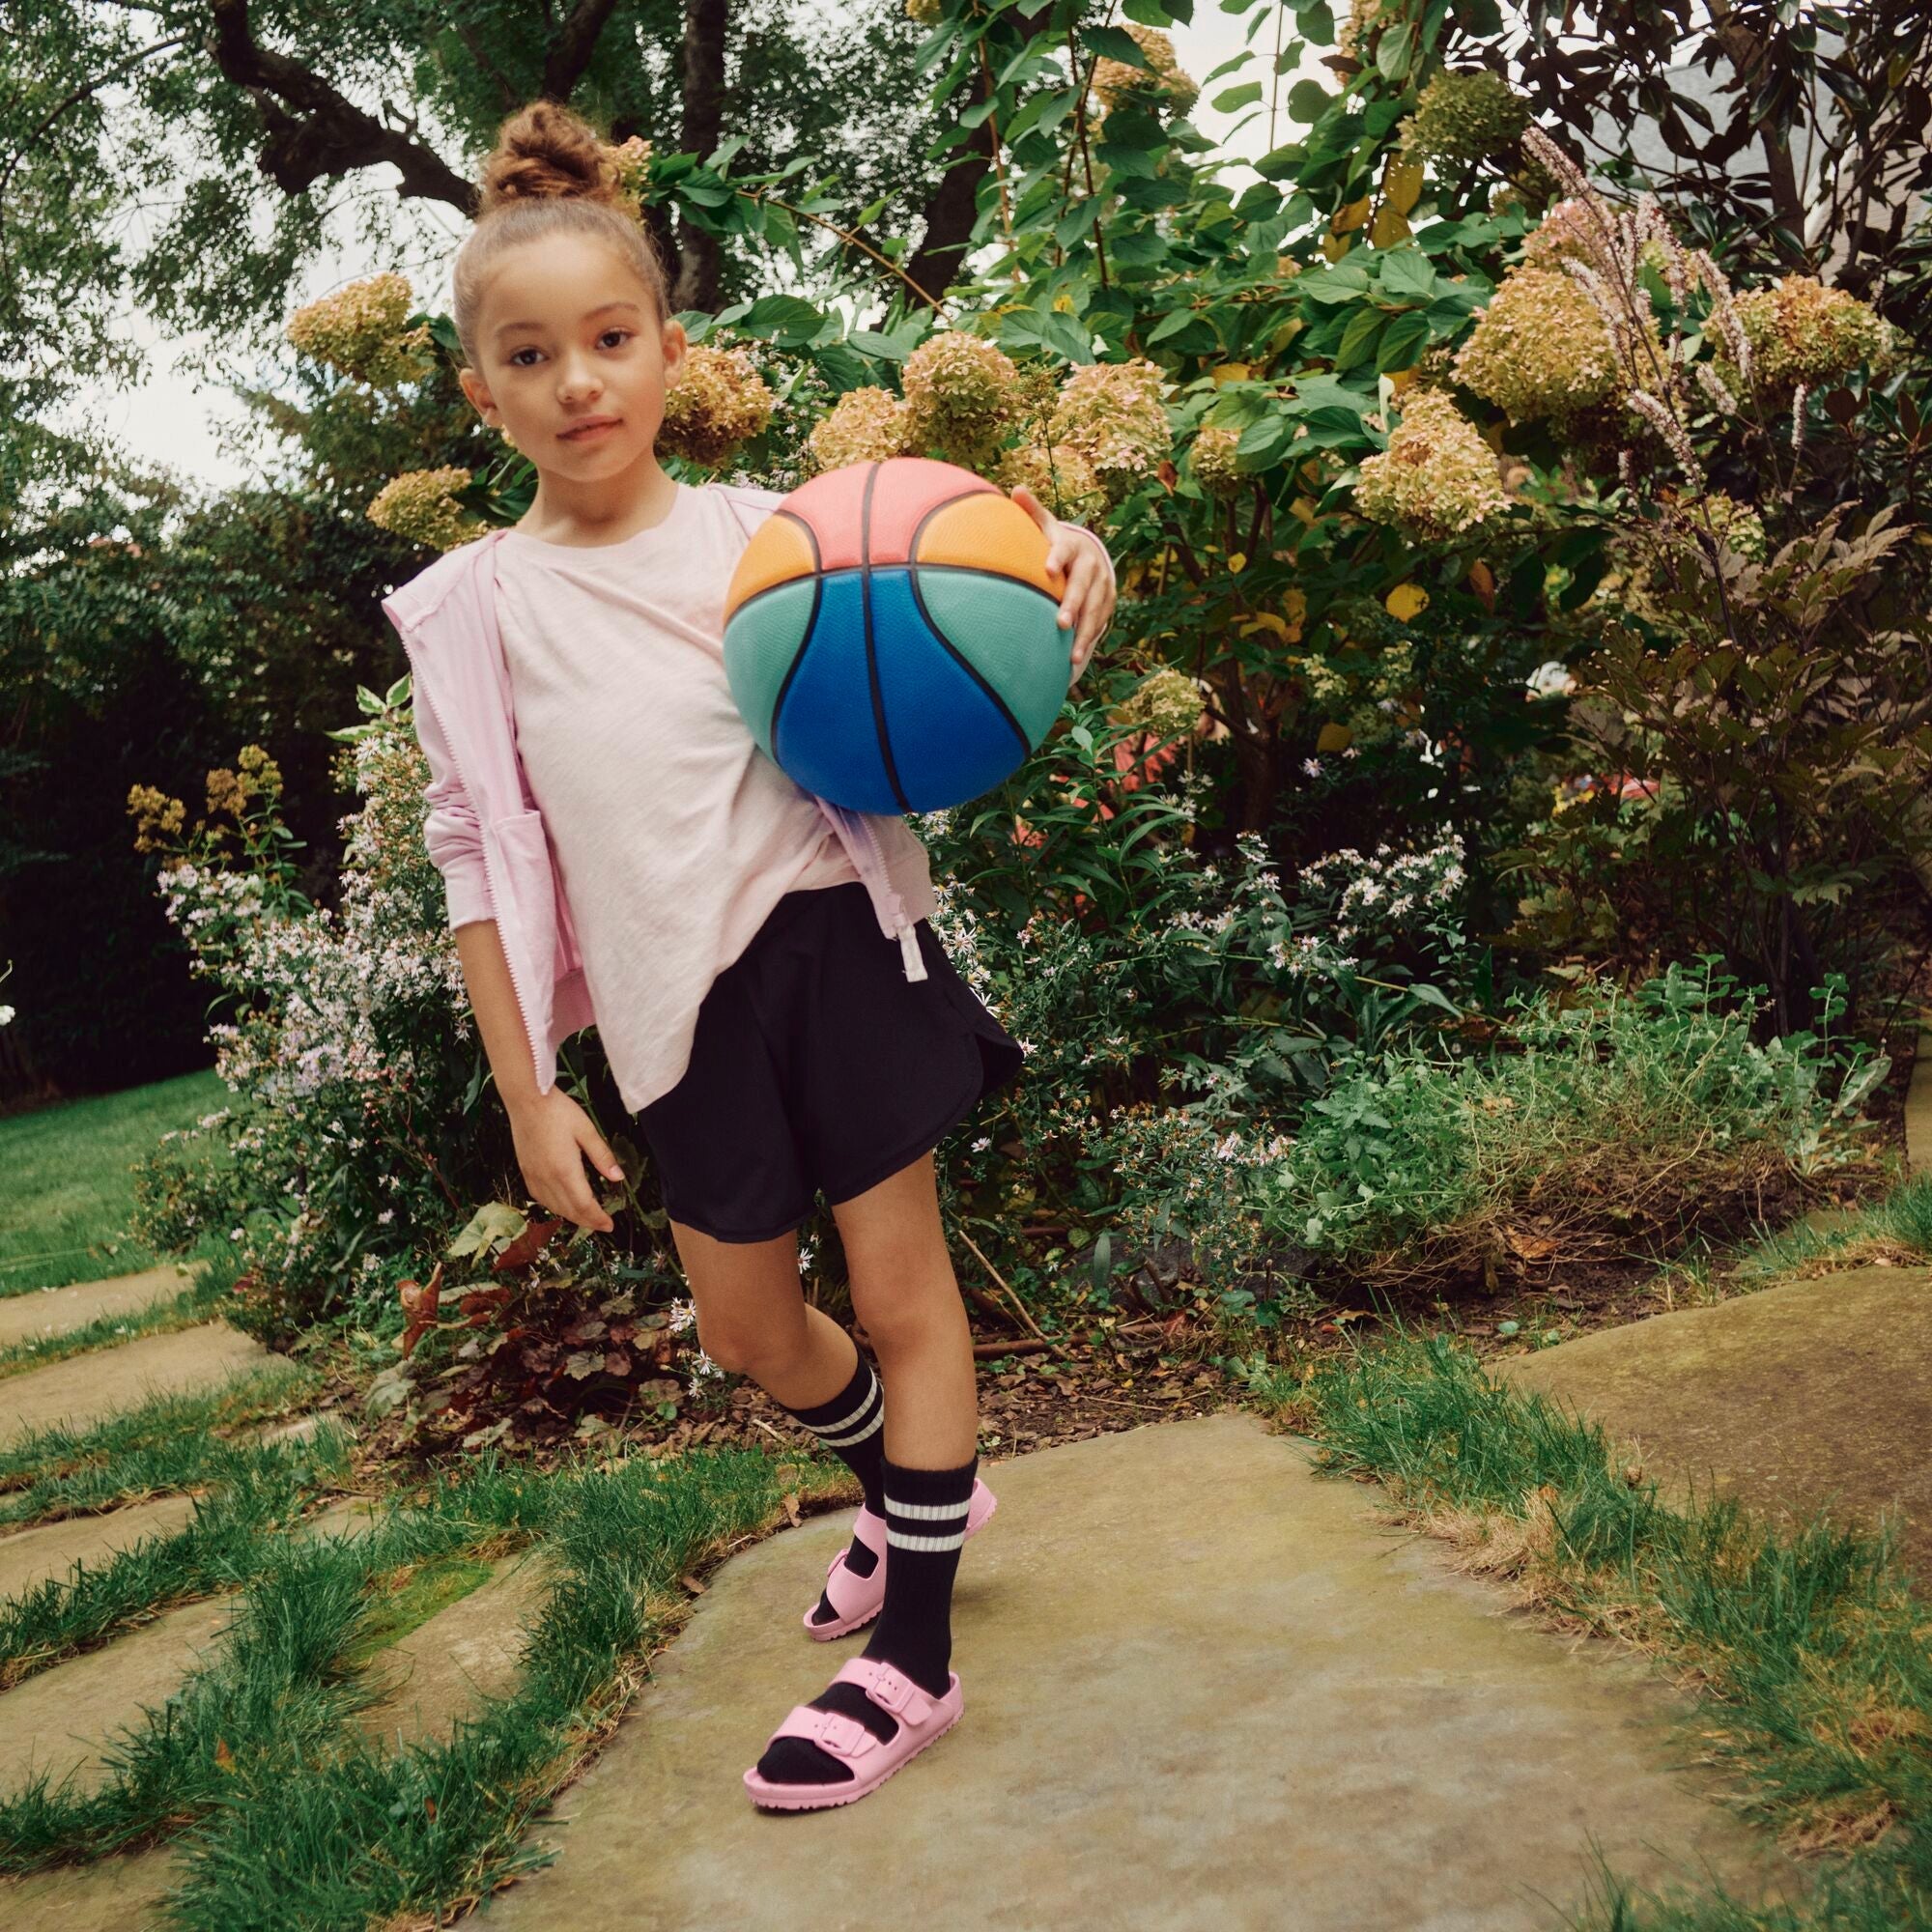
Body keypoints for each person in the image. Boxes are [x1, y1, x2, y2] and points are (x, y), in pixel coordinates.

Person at [381, 100, 1117, 1812]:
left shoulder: (762, 540)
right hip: (668, 1006)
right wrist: (523, 1084)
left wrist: (1058, 552)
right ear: (480, 392)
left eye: (611, 339)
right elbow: (477, 850)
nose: (580, 382)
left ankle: (912, 1657)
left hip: (832, 938)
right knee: (747, 1327)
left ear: (668, 350)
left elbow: (949, 576)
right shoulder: (475, 611)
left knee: (902, 1291)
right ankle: (913, 1491)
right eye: (532, 354)